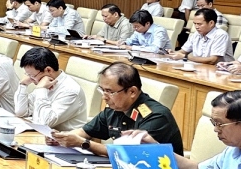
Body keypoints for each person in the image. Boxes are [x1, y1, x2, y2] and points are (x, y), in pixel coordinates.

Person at [136, 91, 241, 169]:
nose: (216, 129)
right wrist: (155, 146)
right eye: (214, 123)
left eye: (220, 124)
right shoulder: (232, 151)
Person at [50, 62, 183, 155]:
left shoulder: (156, 116)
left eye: (109, 91)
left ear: (132, 92)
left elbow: (129, 154)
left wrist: (84, 144)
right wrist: (63, 138)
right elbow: (86, 131)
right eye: (102, 90)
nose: (104, 97)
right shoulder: (114, 109)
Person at [13, 47, 87, 130]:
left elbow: (43, 123)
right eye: (28, 75)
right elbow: (21, 112)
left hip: (64, 140)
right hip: (44, 136)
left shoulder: (70, 91)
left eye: (32, 76)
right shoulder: (45, 84)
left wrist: (41, 90)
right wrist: (23, 85)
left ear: (48, 70)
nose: (31, 79)